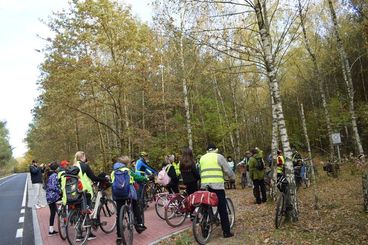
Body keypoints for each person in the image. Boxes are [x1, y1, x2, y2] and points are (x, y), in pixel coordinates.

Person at [199, 143, 235, 238]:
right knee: (222, 209)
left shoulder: (202, 158)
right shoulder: (219, 157)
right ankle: (226, 232)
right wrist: (232, 178)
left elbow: (200, 171)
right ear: (216, 149)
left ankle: (205, 229)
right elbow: (227, 170)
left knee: (206, 207)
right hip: (217, 186)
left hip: (204, 186)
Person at [112, 156, 147, 245]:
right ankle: (139, 224)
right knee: (135, 205)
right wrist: (145, 178)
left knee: (119, 213)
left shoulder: (114, 171)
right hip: (128, 193)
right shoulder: (128, 170)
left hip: (117, 194)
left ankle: (119, 236)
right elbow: (137, 177)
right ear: (126, 163)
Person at [73, 151, 107, 241]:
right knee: (88, 211)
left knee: (80, 211)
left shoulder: (74, 166)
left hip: (76, 191)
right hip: (85, 191)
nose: (85, 157)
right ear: (82, 157)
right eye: (85, 156)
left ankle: (79, 235)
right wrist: (103, 179)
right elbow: (93, 177)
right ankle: (89, 233)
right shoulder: (84, 166)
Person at [45, 161, 61, 236]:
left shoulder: (48, 174)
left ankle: (51, 230)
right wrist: (60, 191)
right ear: (56, 168)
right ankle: (64, 224)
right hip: (54, 196)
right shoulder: (54, 175)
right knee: (60, 210)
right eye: (58, 167)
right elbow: (54, 186)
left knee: (52, 213)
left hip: (48, 196)